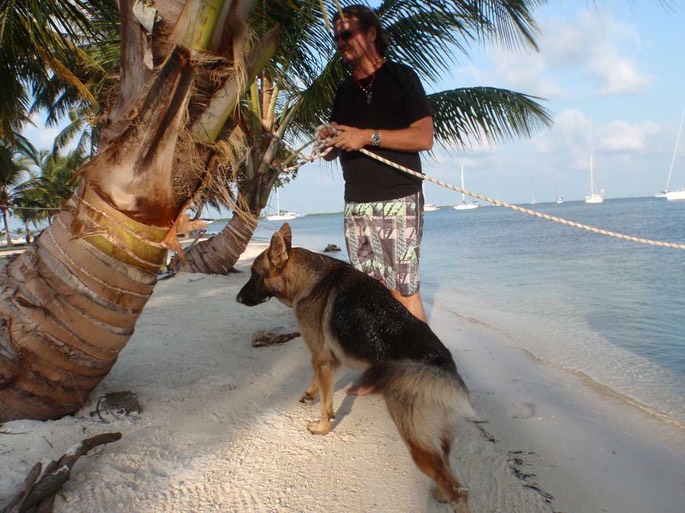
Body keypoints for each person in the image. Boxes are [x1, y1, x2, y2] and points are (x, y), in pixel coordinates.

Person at [319, 4, 434, 322]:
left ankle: (426, 367)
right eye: (336, 38)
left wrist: (366, 136)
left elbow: (424, 137)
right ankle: (387, 365)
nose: (340, 42)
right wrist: (328, 141)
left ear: (371, 33)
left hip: (399, 199)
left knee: (403, 291)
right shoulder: (344, 92)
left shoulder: (401, 78)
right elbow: (332, 151)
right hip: (356, 203)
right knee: (370, 292)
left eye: (346, 34)